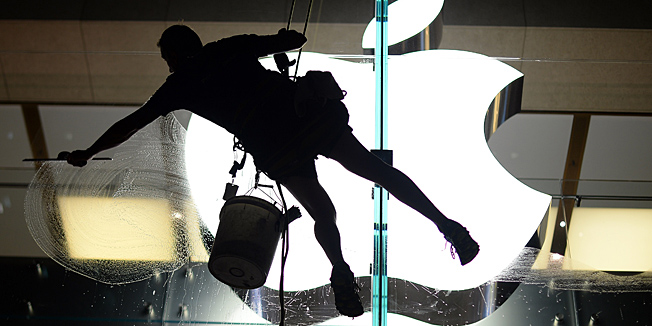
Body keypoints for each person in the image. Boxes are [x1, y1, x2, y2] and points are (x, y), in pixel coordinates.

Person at [62, 25, 479, 318]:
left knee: (322, 212)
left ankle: (340, 271)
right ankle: (448, 227)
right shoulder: (227, 48)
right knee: (378, 172)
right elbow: (291, 40)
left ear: (173, 55)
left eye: (166, 56)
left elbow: (130, 123)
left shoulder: (179, 86)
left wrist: (89, 150)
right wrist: (283, 40)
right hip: (303, 118)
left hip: (277, 148)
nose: (167, 63)